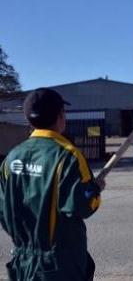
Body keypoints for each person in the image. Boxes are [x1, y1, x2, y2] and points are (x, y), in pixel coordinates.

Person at [0, 88, 105, 280]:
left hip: (22, 261)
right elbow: (84, 206)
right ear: (60, 117)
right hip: (62, 264)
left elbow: (4, 211)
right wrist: (95, 189)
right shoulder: (68, 156)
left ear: (28, 119)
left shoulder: (12, 157)